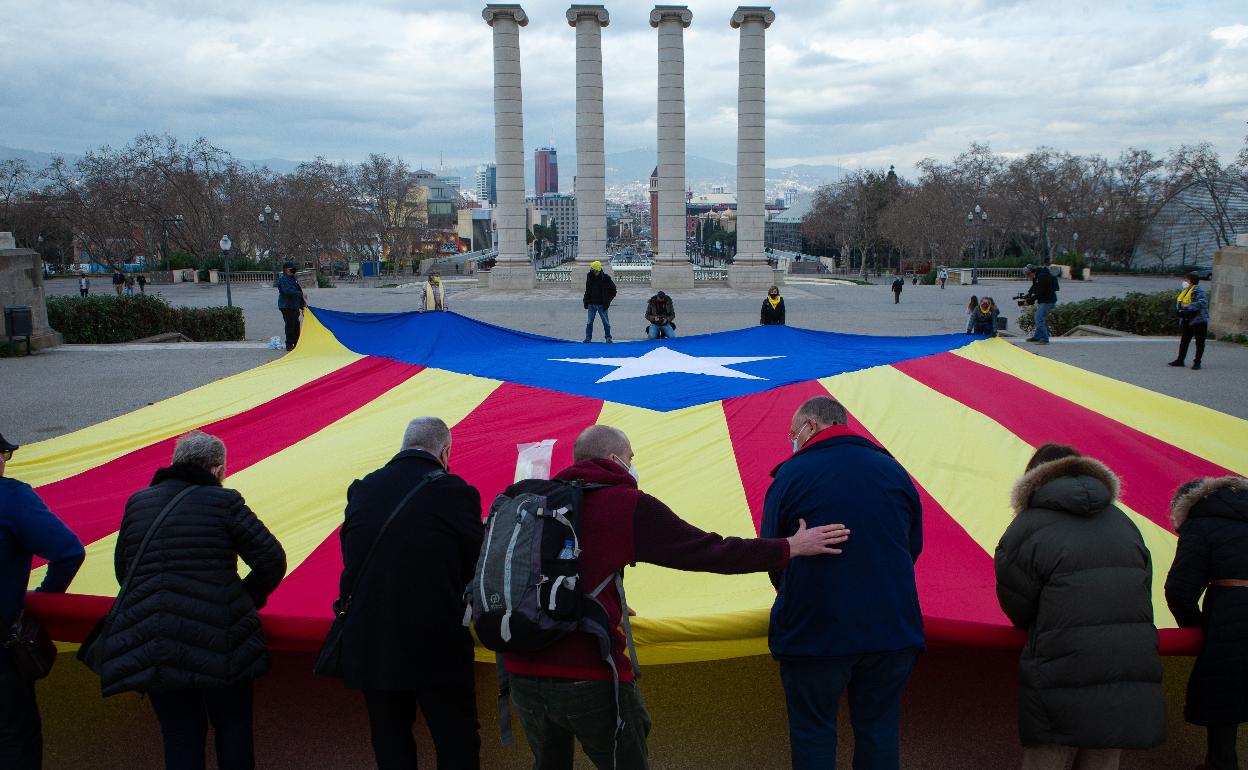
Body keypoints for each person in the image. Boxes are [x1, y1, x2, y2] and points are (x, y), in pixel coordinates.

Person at [505, 424, 850, 770]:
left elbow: (540, 569)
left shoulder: (537, 502)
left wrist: (607, 600)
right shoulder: (626, 504)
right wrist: (790, 546)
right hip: (589, 674)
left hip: (521, 669)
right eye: (631, 458)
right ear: (615, 460)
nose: (633, 465)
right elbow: (710, 551)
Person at [96, 430, 286, 770]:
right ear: (216, 470)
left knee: (180, 733)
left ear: (174, 463)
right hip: (219, 636)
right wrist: (242, 599)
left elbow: (124, 572)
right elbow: (272, 560)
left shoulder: (139, 502)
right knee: (232, 726)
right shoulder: (224, 502)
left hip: (155, 639)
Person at [763, 396, 923, 770]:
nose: (792, 439)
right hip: (892, 629)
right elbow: (911, 546)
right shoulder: (894, 471)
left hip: (815, 629)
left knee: (813, 732)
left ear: (811, 427)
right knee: (879, 730)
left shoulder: (791, 475)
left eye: (793, 433)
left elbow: (773, 551)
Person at [995, 444, 1165, 770]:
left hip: (1064, 658)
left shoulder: (1028, 526)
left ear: (1034, 478)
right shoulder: (1124, 523)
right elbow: (1143, 584)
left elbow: (1017, 605)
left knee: (1050, 751)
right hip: (1128, 657)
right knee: (1104, 751)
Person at [338, 417, 483, 770]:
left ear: (403, 445)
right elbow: (476, 563)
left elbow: (352, 553)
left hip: (372, 637)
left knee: (390, 739)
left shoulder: (363, 488)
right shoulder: (456, 493)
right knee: (456, 739)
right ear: (445, 451)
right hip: (436, 638)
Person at [0, 432, 85, 770]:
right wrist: (48, 598)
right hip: (2, 644)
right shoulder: (11, 497)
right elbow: (67, 551)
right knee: (14, 735)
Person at [1165, 476, 1248, 770]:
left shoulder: (1201, 523)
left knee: (1225, 703)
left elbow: (1179, 590)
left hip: (1232, 618)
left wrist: (1197, 628)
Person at [1169, 271, 1209, 370]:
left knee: (1199, 342)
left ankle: (1197, 362)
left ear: (1191, 281)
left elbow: (1202, 303)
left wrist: (1188, 306)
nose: (1184, 282)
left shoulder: (1199, 291)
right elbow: (1181, 302)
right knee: (1184, 341)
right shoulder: (1186, 290)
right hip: (1187, 319)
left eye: (1186, 280)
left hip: (1199, 320)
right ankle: (1180, 360)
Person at [1023, 265, 1059, 345]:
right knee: (1039, 318)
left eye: (1028, 275)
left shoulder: (1042, 277)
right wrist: (1028, 294)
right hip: (1044, 301)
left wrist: (1029, 301)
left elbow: (1040, 293)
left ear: (1032, 272)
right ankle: (1037, 337)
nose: (1028, 277)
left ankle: (1044, 339)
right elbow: (1034, 286)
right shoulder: (1037, 276)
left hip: (1048, 301)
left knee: (1039, 319)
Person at [583, 260, 616, 342]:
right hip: (591, 304)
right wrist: (586, 301)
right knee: (589, 323)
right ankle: (588, 338)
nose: (591, 270)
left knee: (606, 323)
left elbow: (614, 290)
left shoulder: (606, 278)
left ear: (597, 270)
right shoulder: (589, 277)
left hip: (602, 304)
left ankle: (608, 337)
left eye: (593, 269)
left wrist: (608, 301)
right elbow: (587, 290)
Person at [277, 260, 306, 351]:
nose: (294, 269)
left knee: (296, 325)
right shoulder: (283, 279)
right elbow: (288, 291)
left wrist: (303, 305)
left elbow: (297, 291)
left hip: (294, 306)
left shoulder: (293, 278)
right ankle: (289, 344)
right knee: (290, 325)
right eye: (291, 268)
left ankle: (296, 343)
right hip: (287, 306)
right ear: (286, 270)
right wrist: (301, 294)